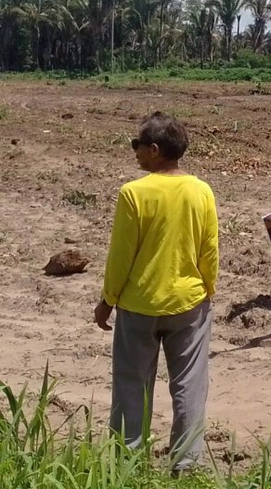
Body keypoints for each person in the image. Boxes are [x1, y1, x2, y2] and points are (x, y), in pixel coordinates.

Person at [94, 112, 219, 473]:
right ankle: (186, 466)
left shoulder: (134, 193)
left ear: (154, 149)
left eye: (138, 146)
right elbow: (209, 250)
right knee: (189, 387)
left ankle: (127, 466)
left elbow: (121, 255)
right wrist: (206, 289)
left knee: (132, 386)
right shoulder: (201, 190)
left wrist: (108, 300)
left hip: (139, 306)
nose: (134, 152)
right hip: (189, 305)